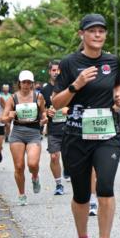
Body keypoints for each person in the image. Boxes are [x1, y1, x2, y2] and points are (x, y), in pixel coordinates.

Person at [51, 13, 120, 238]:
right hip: (76, 136)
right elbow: (56, 102)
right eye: (92, 30)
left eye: (102, 31)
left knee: (105, 186)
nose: (98, 35)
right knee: (82, 194)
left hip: (107, 134)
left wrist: (119, 100)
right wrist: (76, 85)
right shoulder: (70, 63)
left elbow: (117, 88)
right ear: (82, 34)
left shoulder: (112, 61)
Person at [3, 70, 47, 206]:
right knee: (19, 166)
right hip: (17, 133)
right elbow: (2, 118)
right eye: (24, 82)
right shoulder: (12, 98)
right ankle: (22, 194)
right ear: (19, 83)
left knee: (32, 164)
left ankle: (35, 177)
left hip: (33, 132)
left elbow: (44, 112)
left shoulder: (38, 97)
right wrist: (9, 117)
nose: (26, 85)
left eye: (29, 82)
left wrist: (45, 119)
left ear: (32, 84)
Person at [40, 60, 70, 196]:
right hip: (53, 129)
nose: (56, 72)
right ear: (49, 71)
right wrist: (46, 112)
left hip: (70, 128)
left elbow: (77, 104)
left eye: (58, 70)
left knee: (70, 157)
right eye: (53, 70)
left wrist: (67, 109)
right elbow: (41, 110)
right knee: (54, 157)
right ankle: (59, 184)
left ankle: (67, 168)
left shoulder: (69, 88)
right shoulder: (44, 90)